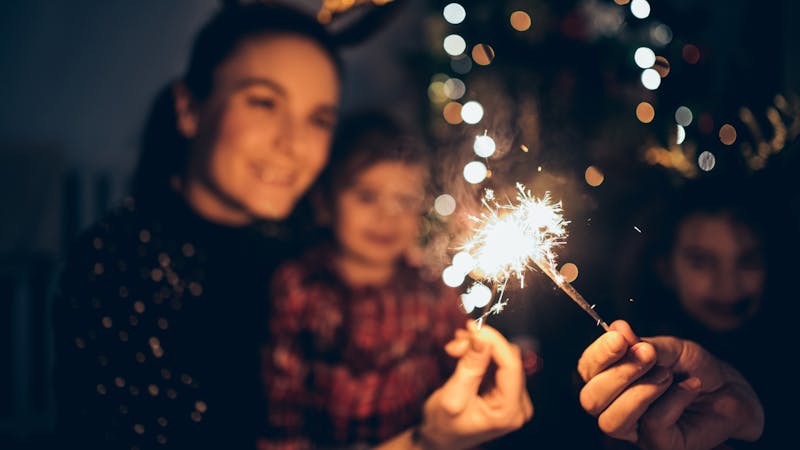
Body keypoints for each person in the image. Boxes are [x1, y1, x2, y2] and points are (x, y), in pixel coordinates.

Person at [53, 3, 531, 450]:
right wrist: (425, 442)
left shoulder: (300, 238)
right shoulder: (120, 267)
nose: (293, 143)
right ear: (189, 108)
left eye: (318, 119)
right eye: (263, 102)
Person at [577, 174, 797, 449]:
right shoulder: (647, 372)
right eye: (702, 262)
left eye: (747, 260)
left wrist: (751, 418)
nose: (727, 285)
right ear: (665, 269)